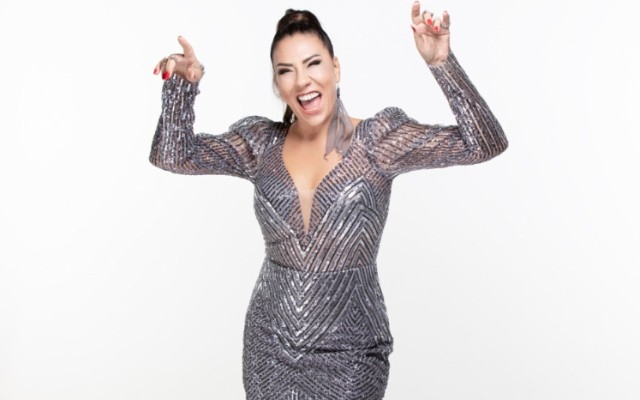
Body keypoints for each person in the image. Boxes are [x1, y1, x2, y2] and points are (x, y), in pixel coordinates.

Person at [149, 2, 507, 399]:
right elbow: (172, 156)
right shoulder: (261, 145)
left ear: (336, 68)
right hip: (269, 349)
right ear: (277, 84)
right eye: (286, 71)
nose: (302, 80)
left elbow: (485, 143)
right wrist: (181, 87)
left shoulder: (378, 142)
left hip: (352, 355)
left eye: (313, 64)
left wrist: (442, 62)